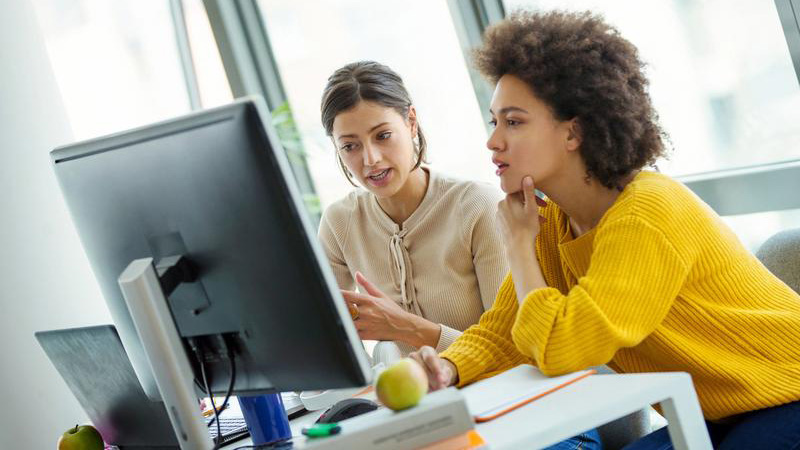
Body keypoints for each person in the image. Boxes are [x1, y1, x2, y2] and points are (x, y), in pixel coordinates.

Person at [409, 10, 800, 450]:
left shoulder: (646, 213)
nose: (493, 141)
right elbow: (505, 332)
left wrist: (518, 244)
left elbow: (562, 349)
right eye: (493, 121)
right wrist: (447, 368)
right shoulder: (555, 221)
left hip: (791, 399)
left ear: (573, 132)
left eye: (514, 122)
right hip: (720, 415)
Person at [318, 60, 603, 450]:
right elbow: (320, 347)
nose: (370, 159)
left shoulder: (477, 206)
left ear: (411, 123)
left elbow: (518, 354)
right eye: (350, 146)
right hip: (442, 427)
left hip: (532, 417)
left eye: (383, 135)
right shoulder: (340, 222)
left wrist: (407, 328)